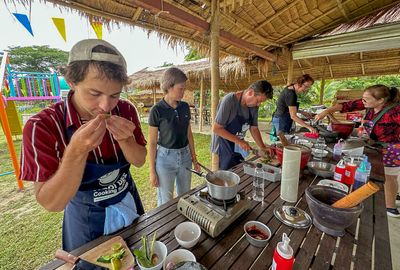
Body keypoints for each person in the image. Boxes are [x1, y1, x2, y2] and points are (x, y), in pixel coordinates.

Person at [20, 39, 147, 251]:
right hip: (85, 218)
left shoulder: (126, 110)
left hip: (128, 200)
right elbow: (52, 203)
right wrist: (76, 151)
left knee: (140, 254)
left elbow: (140, 160)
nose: (106, 106)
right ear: (71, 81)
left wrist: (126, 140)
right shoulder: (42, 126)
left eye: (114, 95)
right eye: (95, 93)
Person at [315, 84, 400, 217]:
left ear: (380, 100)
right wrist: (326, 112)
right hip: (374, 146)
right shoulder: (370, 105)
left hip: (391, 148)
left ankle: (390, 205)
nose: (362, 101)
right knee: (373, 174)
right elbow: (346, 106)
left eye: (366, 99)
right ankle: (384, 196)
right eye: (363, 98)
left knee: (389, 177)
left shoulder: (395, 111)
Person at [148, 67, 200, 206]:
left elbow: (188, 133)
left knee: (185, 196)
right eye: (181, 88)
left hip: (185, 156)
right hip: (165, 159)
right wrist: (152, 171)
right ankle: (166, 227)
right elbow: (152, 143)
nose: (183, 92)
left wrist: (194, 158)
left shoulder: (184, 107)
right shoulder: (157, 110)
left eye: (184, 88)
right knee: (166, 201)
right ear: (169, 86)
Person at [211, 80, 274, 170]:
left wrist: (263, 147)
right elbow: (217, 129)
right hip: (222, 146)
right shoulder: (230, 101)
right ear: (250, 92)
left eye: (261, 103)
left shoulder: (254, 106)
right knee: (224, 177)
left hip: (238, 146)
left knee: (238, 171)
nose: (258, 104)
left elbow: (254, 128)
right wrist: (239, 141)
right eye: (258, 101)